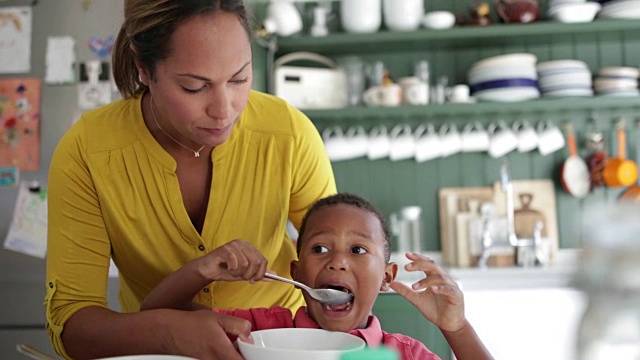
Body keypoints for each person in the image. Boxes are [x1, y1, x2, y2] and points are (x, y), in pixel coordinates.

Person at [44, 1, 335, 359]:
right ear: (143, 69)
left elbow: (337, 259)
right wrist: (167, 332)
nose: (224, 109)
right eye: (195, 87)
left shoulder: (289, 134)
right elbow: (71, 323)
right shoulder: (88, 151)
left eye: (240, 79)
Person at [142, 193, 494, 360]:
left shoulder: (401, 355)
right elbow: (154, 317)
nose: (337, 262)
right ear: (297, 272)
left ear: (387, 277)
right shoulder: (258, 333)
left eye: (357, 251)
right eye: (320, 249)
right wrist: (202, 270)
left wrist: (456, 327)